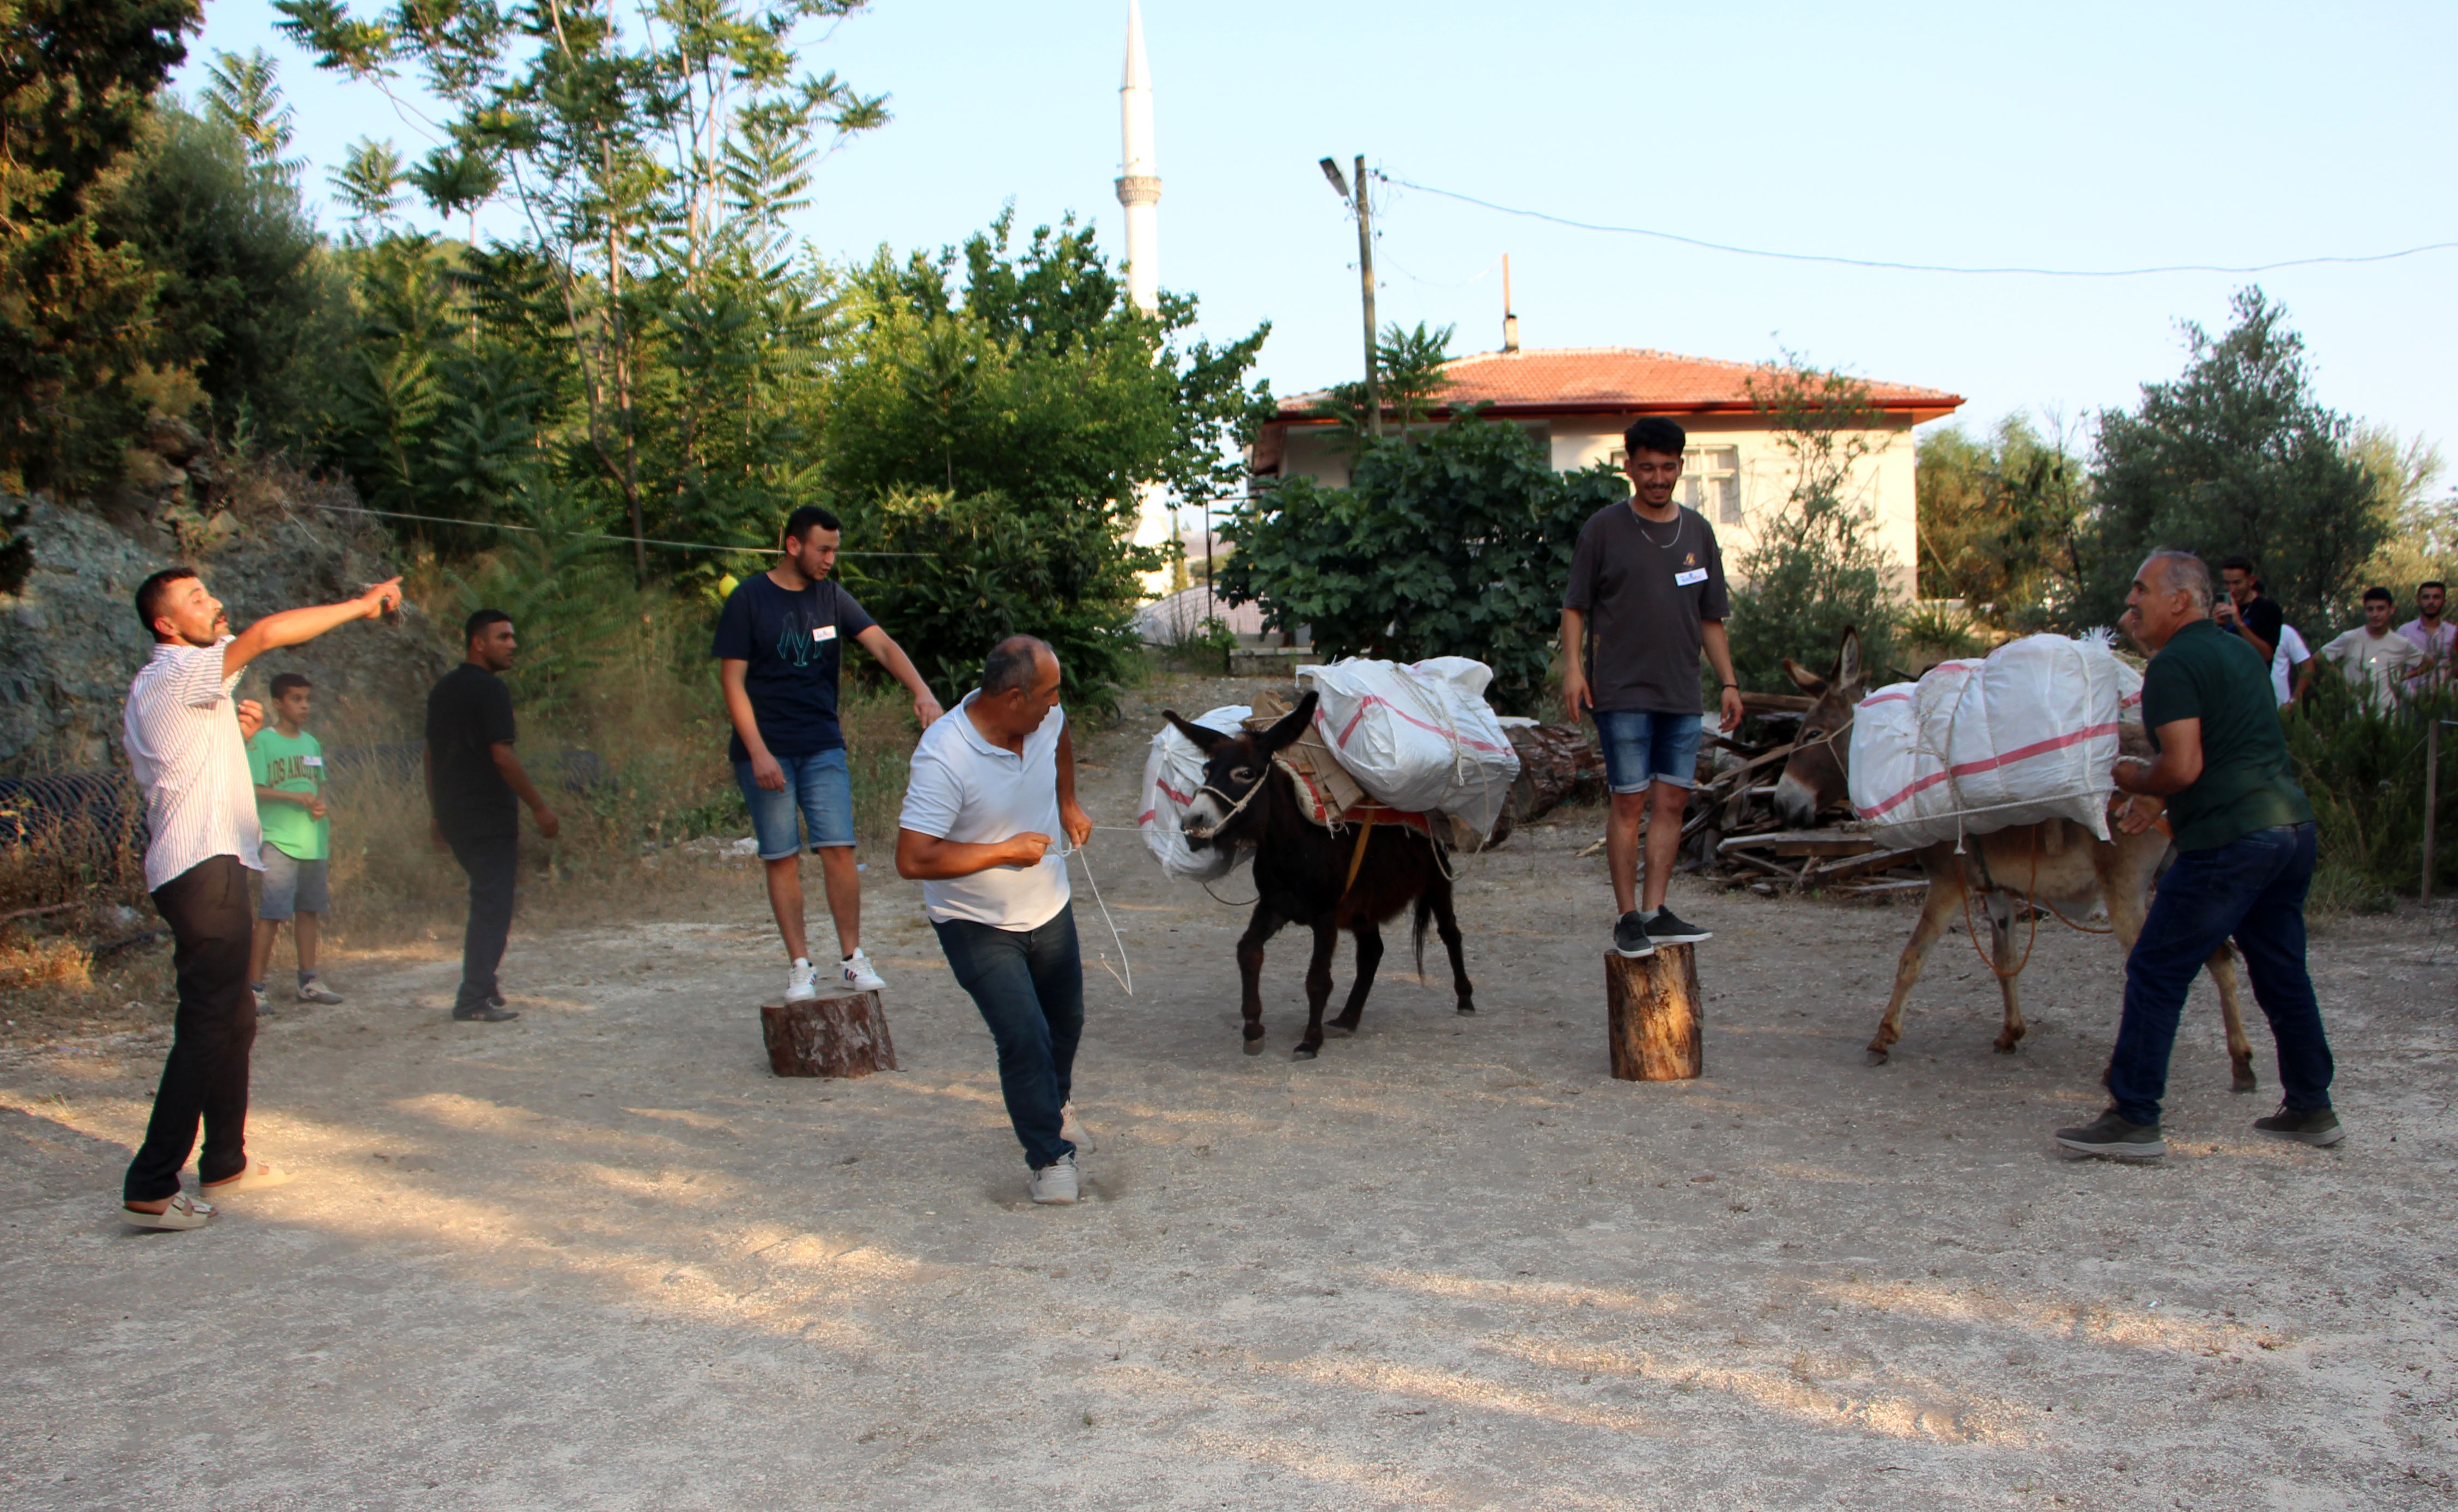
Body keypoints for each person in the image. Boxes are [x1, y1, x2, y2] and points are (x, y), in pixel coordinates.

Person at [119, 566, 403, 1230]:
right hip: (202, 865)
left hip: (204, 863)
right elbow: (269, 634)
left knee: (234, 1014)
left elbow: (183, 766)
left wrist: (237, 738)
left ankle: (224, 1161)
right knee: (210, 1019)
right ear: (166, 624)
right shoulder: (177, 671)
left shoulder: (167, 687)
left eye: (210, 592)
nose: (213, 604)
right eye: (195, 600)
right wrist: (361, 606)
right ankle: (153, 1182)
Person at [2055, 551, 2340, 1161]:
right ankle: (2312, 1105)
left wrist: (2132, 776)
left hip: (2230, 842)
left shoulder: (2173, 665)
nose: (2130, 606)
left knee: (2157, 969)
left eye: (2141, 594)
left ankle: (2134, 1115)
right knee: (2283, 971)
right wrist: (2159, 806)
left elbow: (2183, 765)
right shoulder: (2240, 652)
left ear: (2180, 600)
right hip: (2289, 829)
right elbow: (2230, 746)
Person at [896, 636, 1095, 1205]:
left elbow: (1060, 742)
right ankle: (1050, 1157)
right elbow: (912, 858)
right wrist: (1001, 851)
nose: (1058, 704)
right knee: (1023, 1036)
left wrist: (1069, 803)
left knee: (1066, 1023)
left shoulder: (1045, 719)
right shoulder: (944, 756)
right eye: (1049, 693)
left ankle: (1053, 1107)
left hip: (1048, 904)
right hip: (974, 920)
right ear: (1013, 697)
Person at [716, 504, 942, 1003]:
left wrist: (921, 690)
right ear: (794, 545)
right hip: (766, 751)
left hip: (822, 745)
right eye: (823, 549)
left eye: (835, 550)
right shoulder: (749, 600)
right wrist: (758, 752)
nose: (830, 560)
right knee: (782, 858)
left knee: (839, 848)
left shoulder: (832, 598)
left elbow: (882, 646)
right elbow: (732, 682)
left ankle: (852, 959)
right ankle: (800, 967)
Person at [1560, 416, 1745, 961]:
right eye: (1647, 468)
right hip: (1620, 693)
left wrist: (1729, 682)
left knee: (1672, 801)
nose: (1658, 478)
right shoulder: (1604, 529)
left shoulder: (1699, 534)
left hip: (1682, 695)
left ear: (1680, 467)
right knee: (1629, 802)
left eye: (1667, 468)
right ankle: (1626, 918)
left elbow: (1712, 618)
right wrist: (1574, 668)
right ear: (1630, 467)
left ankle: (1656, 911)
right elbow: (1575, 607)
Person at [425, 610, 560, 1023]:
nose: (512, 644)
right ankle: (472, 999)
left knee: (485, 898)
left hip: (456, 815)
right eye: (502, 637)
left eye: (512, 637)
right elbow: (502, 756)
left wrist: (437, 812)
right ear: (477, 644)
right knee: (493, 906)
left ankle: (485, 982)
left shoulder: (443, 690)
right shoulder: (491, 691)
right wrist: (539, 806)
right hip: (488, 815)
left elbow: (430, 756)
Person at [245, 673, 344, 1013]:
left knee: (309, 911)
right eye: (296, 699)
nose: (304, 706)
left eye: (307, 699)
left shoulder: (311, 743)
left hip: (312, 840)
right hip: (279, 840)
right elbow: (253, 789)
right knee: (272, 914)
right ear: (277, 703)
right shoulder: (261, 742)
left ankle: (309, 981)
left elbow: (320, 784)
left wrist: (319, 802)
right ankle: (254, 988)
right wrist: (292, 797)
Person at [2316, 588, 2424, 711]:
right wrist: (2342, 681)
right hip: (2356, 713)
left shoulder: (2401, 643)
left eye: (2381, 609)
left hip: (2389, 715)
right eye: (2370, 609)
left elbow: (2428, 663)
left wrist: (2403, 676)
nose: (2375, 614)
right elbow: (2320, 657)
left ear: (2392, 610)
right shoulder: (2350, 638)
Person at [2212, 554, 2283, 665]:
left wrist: (2239, 624)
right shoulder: (2221, 606)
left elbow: (2266, 655)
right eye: (2227, 583)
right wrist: (2213, 625)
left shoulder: (2269, 609)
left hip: (2252, 678)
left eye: (2237, 583)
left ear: (2251, 580)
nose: (2232, 589)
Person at [2398, 580, 2453, 698]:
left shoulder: (2453, 632)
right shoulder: (2405, 632)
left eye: (2436, 597)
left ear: (2444, 601)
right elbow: (2396, 667)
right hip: (2411, 699)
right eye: (2426, 597)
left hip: (2446, 699)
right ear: (2418, 601)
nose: (2431, 602)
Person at [2270, 620, 2312, 708]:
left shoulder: (2284, 632)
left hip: (2279, 711)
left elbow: (2308, 666)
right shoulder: (2238, 632)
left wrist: (2294, 702)